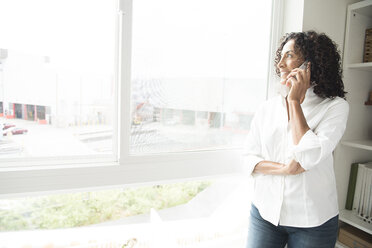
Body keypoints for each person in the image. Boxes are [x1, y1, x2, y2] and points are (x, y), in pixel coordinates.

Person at [243, 31, 349, 248]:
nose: (281, 64)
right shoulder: (268, 108)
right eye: (280, 57)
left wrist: (294, 102)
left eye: (289, 56)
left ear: (312, 64)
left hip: (313, 220)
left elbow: (309, 157)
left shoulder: (335, 107)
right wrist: (286, 169)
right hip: (265, 213)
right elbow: (247, 158)